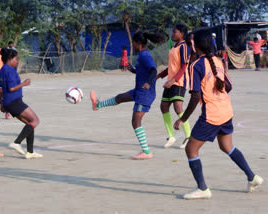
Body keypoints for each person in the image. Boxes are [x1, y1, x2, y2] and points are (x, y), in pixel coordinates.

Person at [174, 28, 263, 200]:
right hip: (226, 110)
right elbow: (228, 86)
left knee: (191, 149)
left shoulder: (196, 65)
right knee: (227, 146)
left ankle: (202, 189)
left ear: (196, 44)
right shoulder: (217, 60)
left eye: (191, 40)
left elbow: (195, 96)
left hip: (212, 114)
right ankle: (252, 177)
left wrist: (182, 119)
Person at [90, 31, 164, 160]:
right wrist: (131, 69)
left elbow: (153, 70)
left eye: (133, 43)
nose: (132, 46)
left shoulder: (145, 55)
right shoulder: (142, 55)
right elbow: (141, 71)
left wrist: (147, 83)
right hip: (138, 91)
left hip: (144, 94)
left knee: (136, 122)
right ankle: (97, 104)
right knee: (120, 97)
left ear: (138, 43)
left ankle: (146, 152)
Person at [0, 48, 43, 159]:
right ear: (10, 59)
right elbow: (11, 89)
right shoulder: (9, 70)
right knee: (35, 120)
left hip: (9, 103)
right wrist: (24, 84)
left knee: (29, 124)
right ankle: (16, 143)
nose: (17, 61)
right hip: (14, 101)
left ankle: (30, 152)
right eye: (16, 59)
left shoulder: (2, 70)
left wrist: (1, 103)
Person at [156, 24, 191, 149]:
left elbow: (183, 67)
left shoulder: (184, 47)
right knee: (164, 106)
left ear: (182, 33)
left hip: (179, 82)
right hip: (170, 81)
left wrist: (173, 80)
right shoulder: (174, 47)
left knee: (177, 107)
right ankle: (171, 136)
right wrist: (159, 75)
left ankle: (188, 136)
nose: (172, 34)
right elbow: (172, 66)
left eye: (175, 32)